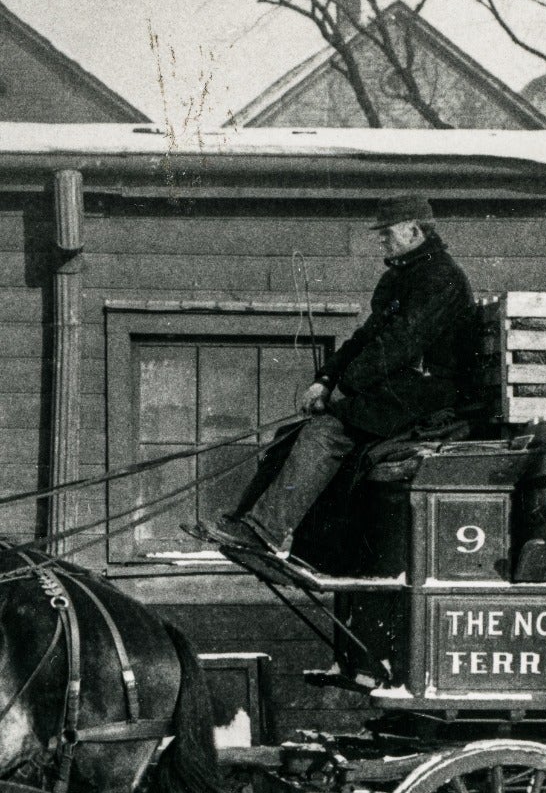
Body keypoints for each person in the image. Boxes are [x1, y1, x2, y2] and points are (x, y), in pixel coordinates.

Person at [202, 194, 480, 557]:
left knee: (325, 432)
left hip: (428, 396)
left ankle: (265, 531)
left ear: (414, 232)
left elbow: (400, 343)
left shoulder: (441, 277)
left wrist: (346, 387)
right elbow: (365, 338)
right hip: (400, 392)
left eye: (387, 233)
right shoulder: (403, 277)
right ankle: (243, 524)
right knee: (291, 435)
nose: (381, 240)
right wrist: (326, 380)